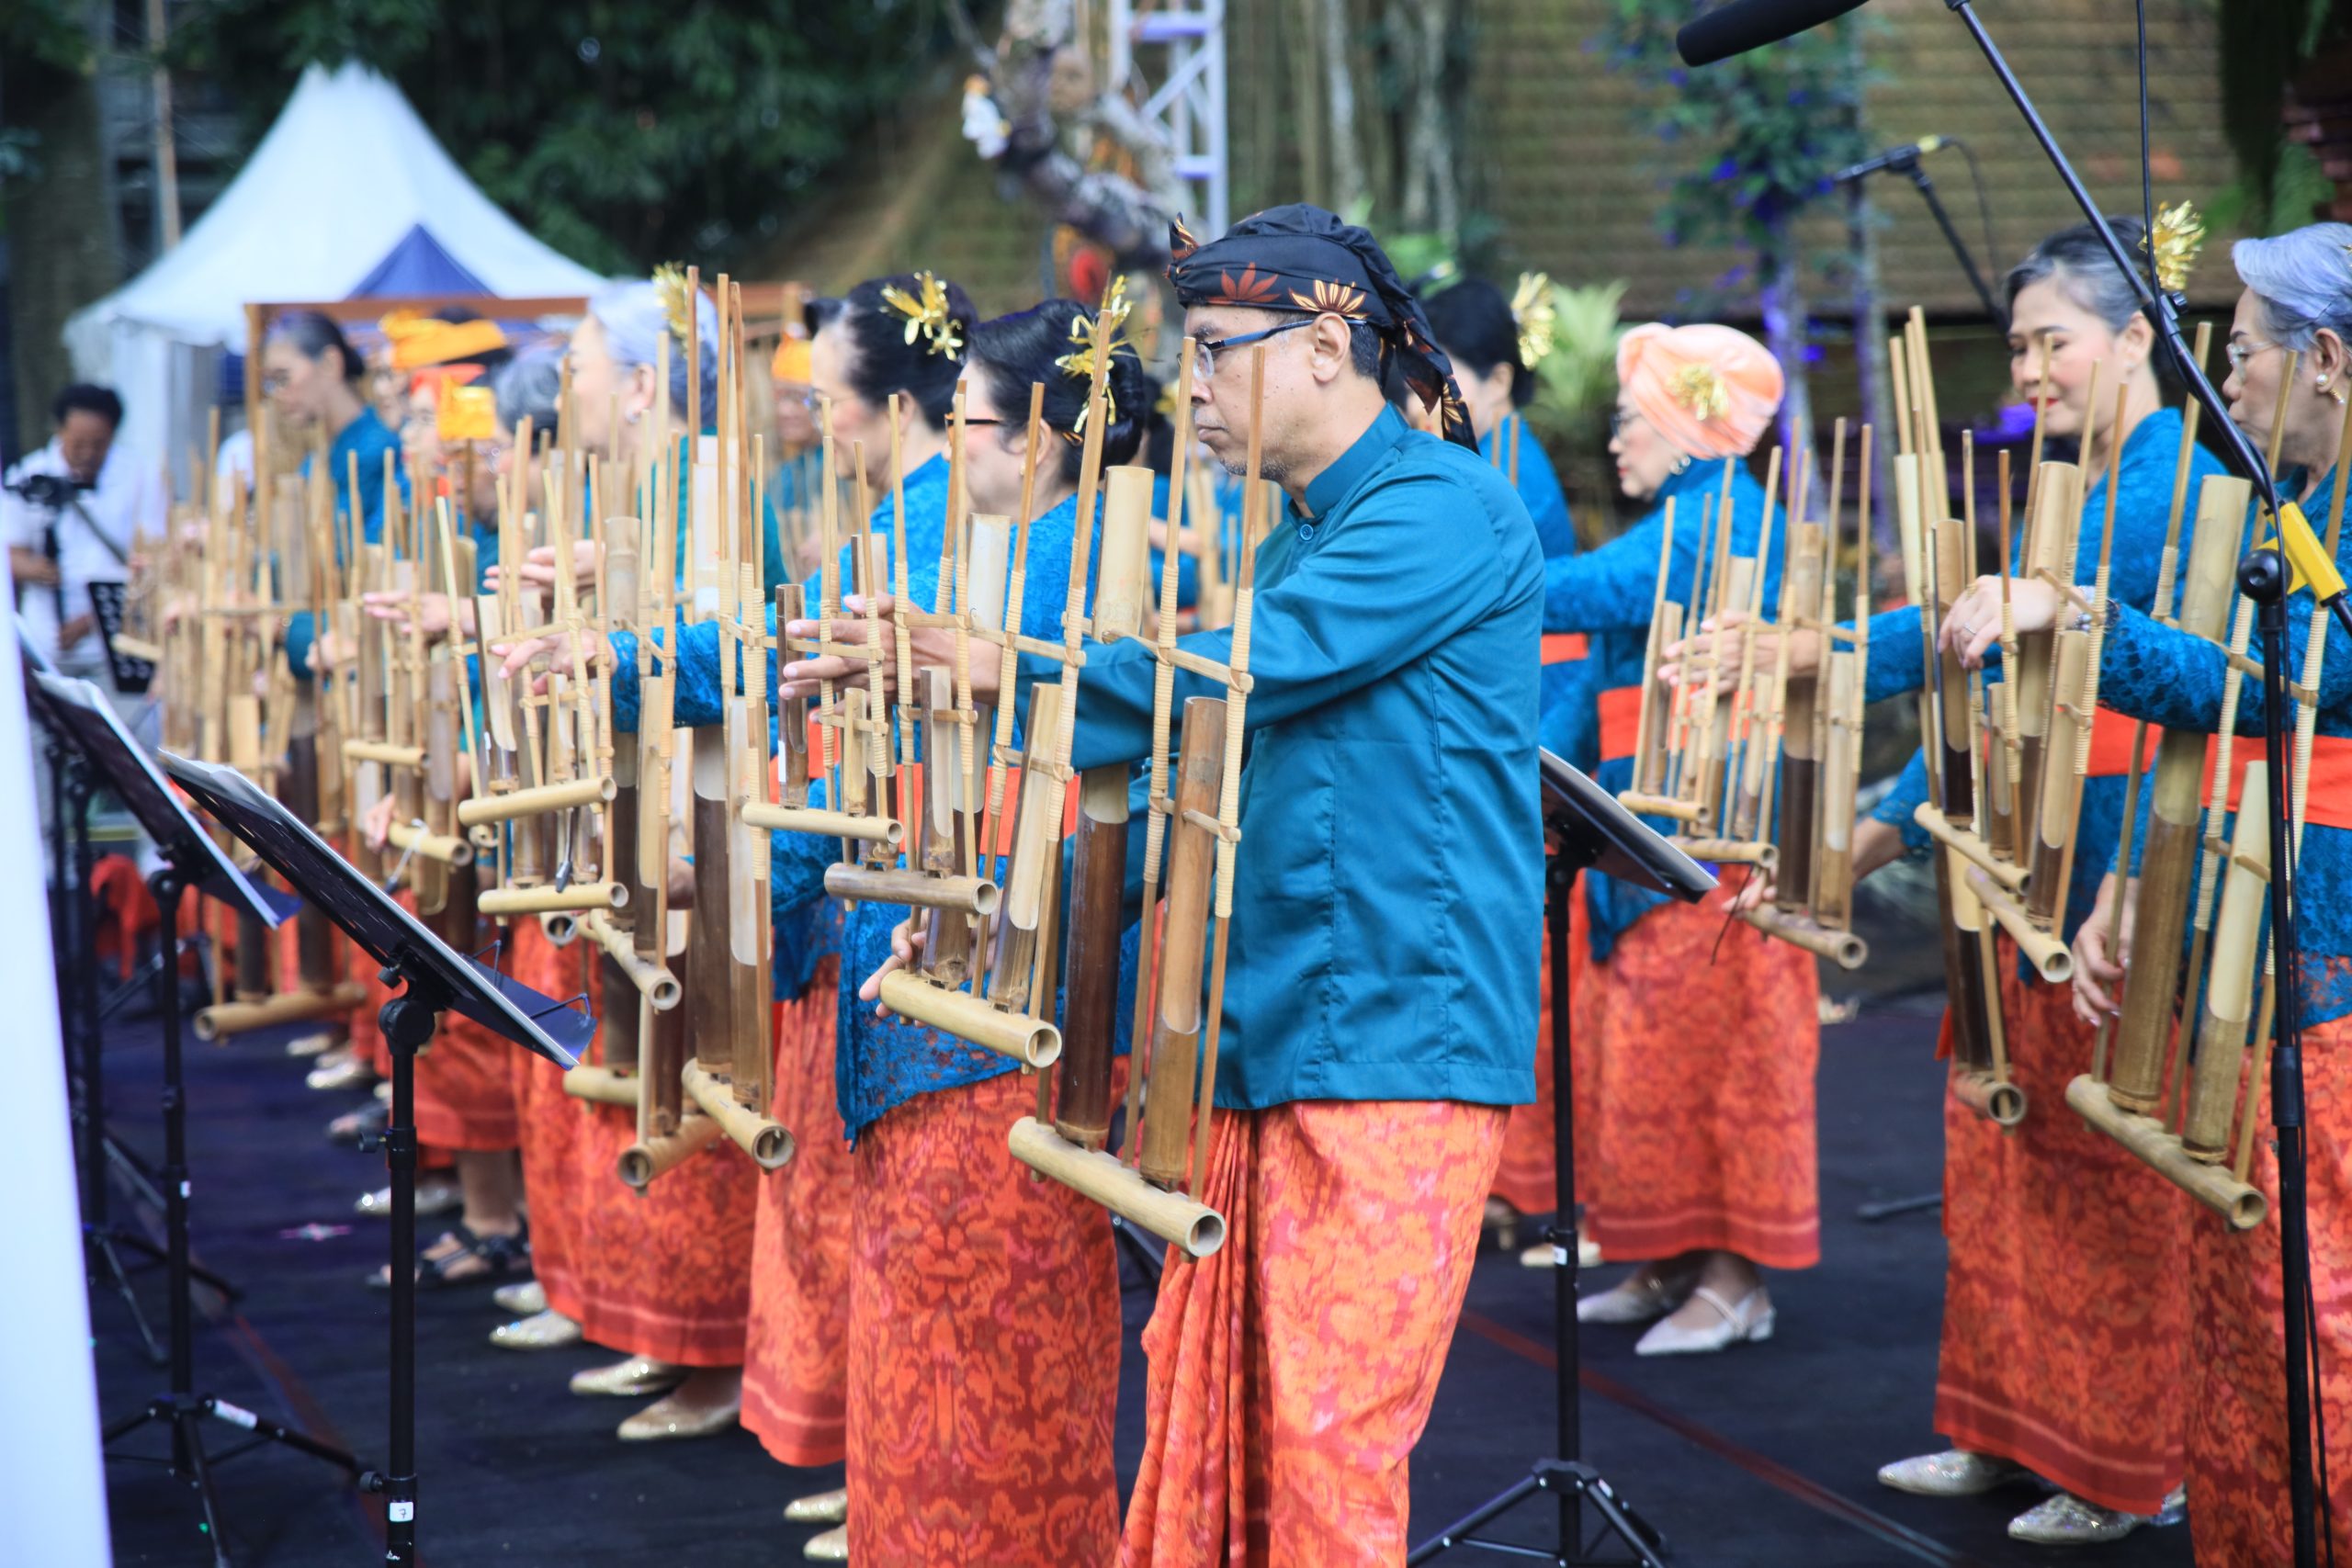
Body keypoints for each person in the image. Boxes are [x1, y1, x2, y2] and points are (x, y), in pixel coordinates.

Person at [788, 206, 1542, 1566]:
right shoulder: (1302, 535)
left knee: (1326, 1444)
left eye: (1212, 349)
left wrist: (999, 665)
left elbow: (1235, 673)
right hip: (1276, 1028)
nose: (1186, 386)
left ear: (1325, 348)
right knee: (1241, 1432)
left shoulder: (1444, 507)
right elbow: (1204, 787)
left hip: (1398, 1033)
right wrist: (1013, 915)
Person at [1947, 220, 2352, 1565]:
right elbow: (2220, 701)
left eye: (2243, 352)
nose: (2223, 376)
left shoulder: (2263, 506)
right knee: (2245, 1298)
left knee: (2315, 1295)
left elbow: (2265, 681)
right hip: (2237, 898)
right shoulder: (2303, 509)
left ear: (2326, 358)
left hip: (2320, 944)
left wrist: (2069, 614)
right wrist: (2135, 878)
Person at [1544, 321, 1821, 1355]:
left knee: (1718, 1067)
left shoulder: (1719, 519)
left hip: (1720, 834)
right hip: (1650, 821)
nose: (1617, 440)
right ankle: (1671, 1256)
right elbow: (1593, 677)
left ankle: (1735, 1281)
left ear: (1684, 424)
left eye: (1632, 420)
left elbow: (1584, 591)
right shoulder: (1682, 517)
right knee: (1649, 1062)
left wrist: (1462, 570)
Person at [1424, 275, 1592, 1260]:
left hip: (1530, 713)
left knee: (1508, 959)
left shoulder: (1509, 470)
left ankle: (1506, 1183)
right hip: (1515, 709)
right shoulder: (1485, 458)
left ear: (1495, 380)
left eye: (1446, 375)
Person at [6, 384, 164, 683]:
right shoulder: (27, 475)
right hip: (45, 643)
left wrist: (93, 619)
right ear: (59, 430)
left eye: (98, 445)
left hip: (118, 644)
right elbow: (9, 552)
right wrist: (36, 569)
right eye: (78, 444)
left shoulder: (141, 476)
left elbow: (156, 558)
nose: (88, 454)